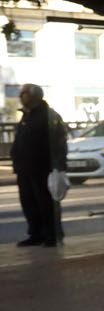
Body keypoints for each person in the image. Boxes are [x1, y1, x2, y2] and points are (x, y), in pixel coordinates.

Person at [9, 83, 63, 247]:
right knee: (29, 202)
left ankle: (52, 235)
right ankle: (36, 233)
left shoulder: (48, 116)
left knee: (45, 202)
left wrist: (58, 166)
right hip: (25, 168)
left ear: (34, 96)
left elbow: (59, 142)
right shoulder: (26, 115)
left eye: (23, 94)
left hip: (42, 167)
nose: (20, 97)